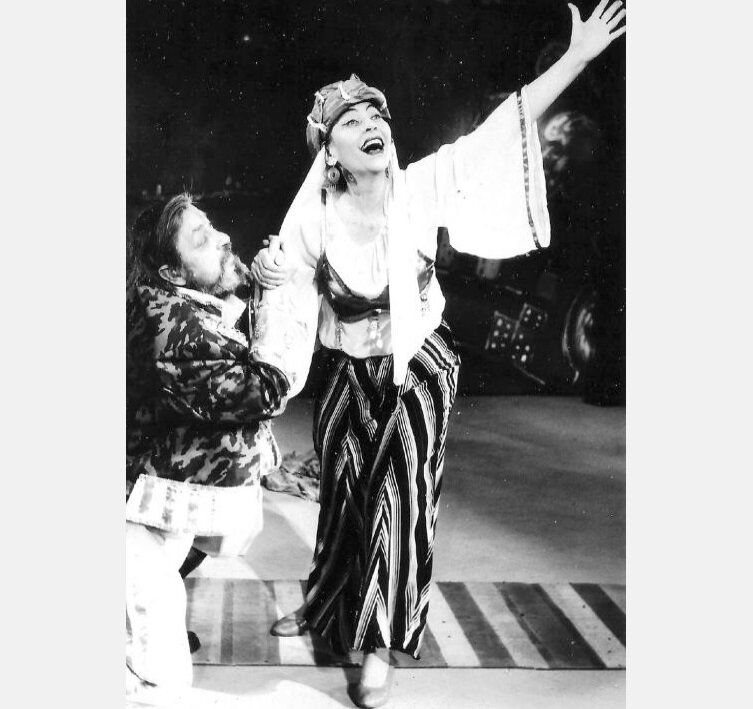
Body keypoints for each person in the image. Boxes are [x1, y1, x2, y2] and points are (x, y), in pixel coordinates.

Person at [250, 3, 626, 707]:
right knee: (344, 497)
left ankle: (379, 646)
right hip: (346, 373)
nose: (372, 125)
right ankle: (330, 606)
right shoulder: (314, 218)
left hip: (417, 366)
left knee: (399, 498)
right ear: (328, 150)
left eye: (377, 115)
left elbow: (501, 129)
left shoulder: (419, 188)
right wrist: (270, 276)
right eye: (352, 121)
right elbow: (285, 292)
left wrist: (575, 58)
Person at [125, 194, 290, 707]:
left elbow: (230, 339)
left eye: (211, 225)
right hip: (131, 509)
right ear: (173, 272)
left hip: (153, 495)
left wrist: (260, 287)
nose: (222, 238)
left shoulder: (173, 301)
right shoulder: (174, 332)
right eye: (201, 238)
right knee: (160, 675)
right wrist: (276, 297)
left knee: (151, 614)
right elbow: (268, 387)